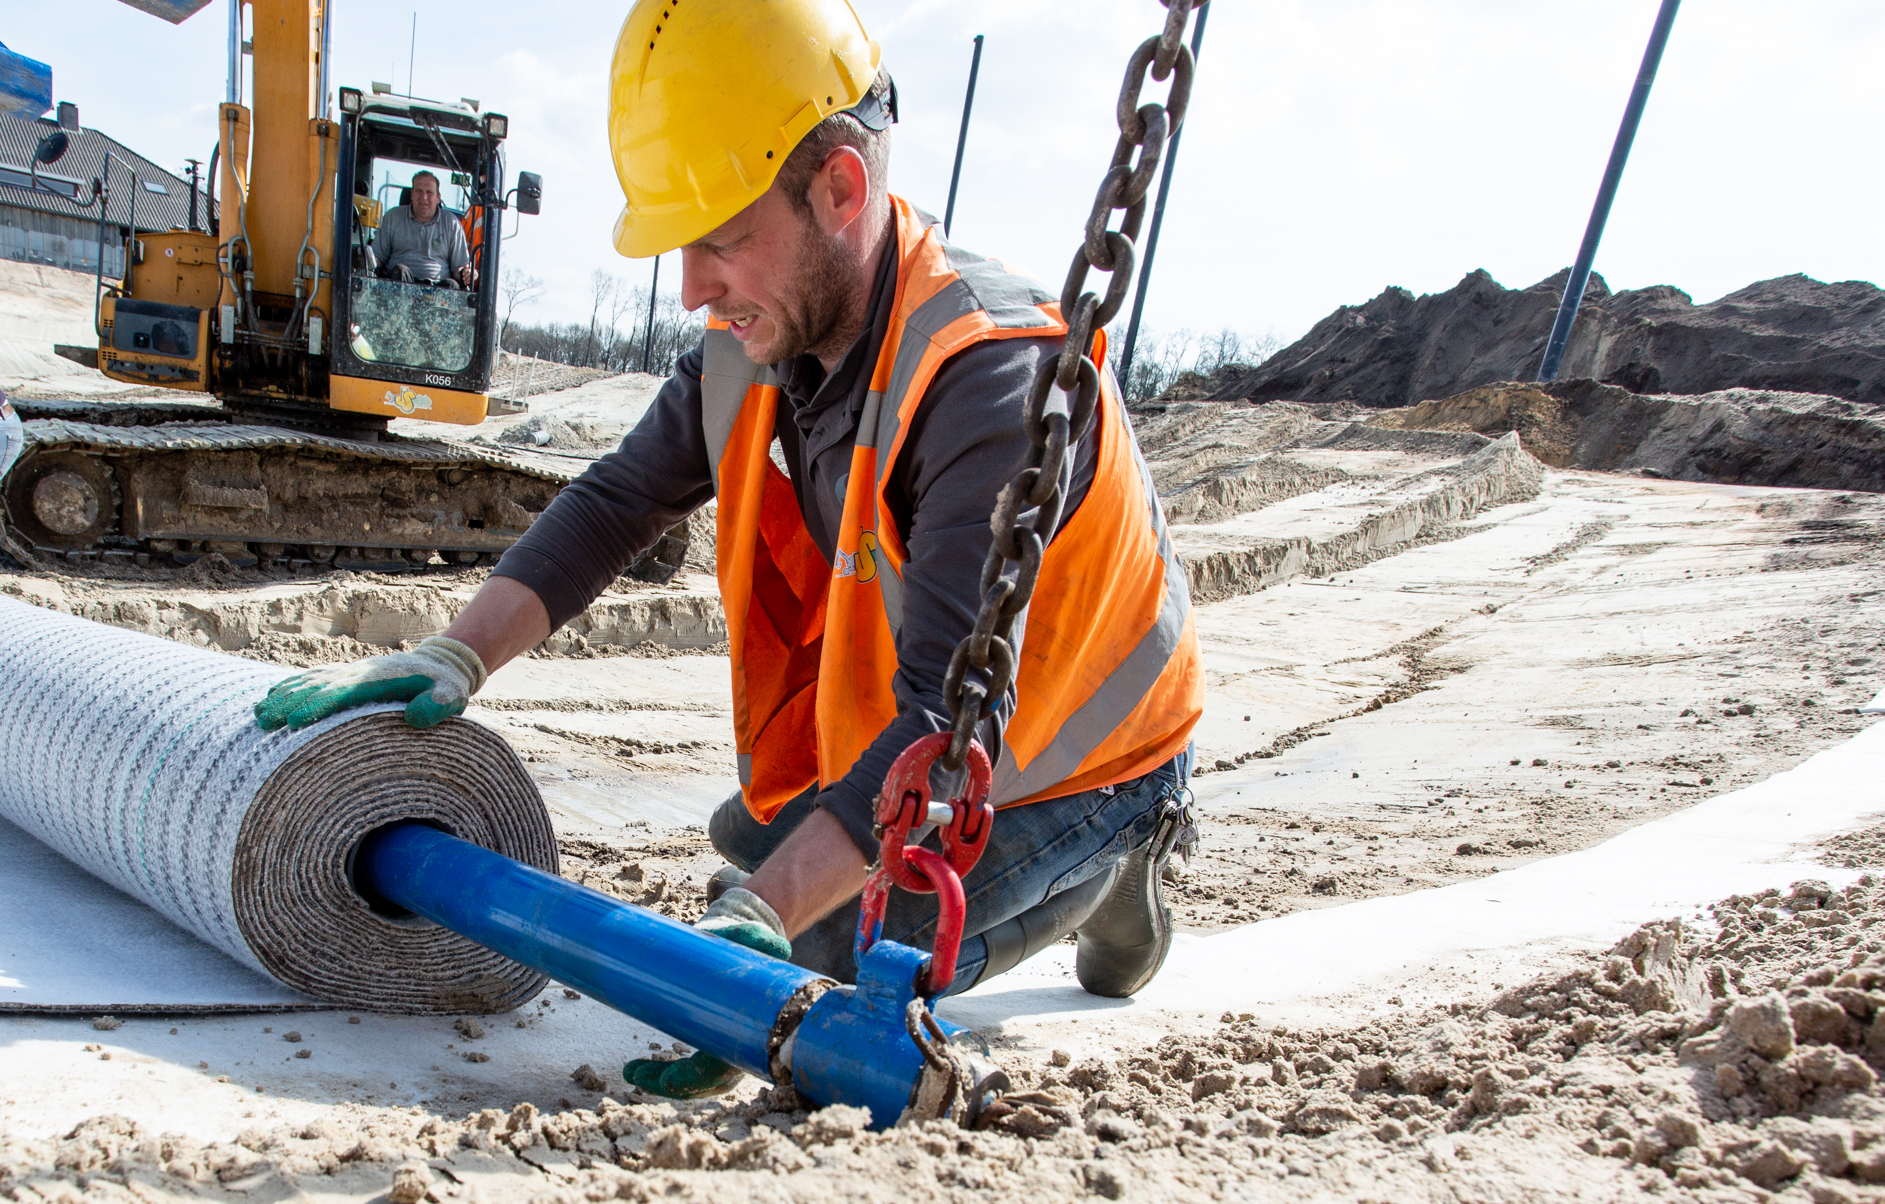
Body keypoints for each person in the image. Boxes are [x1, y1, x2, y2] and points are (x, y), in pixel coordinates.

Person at [255, 0, 1204, 1097]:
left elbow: (945, 729)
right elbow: (616, 502)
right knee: (755, 841)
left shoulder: (990, 380)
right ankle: (858, 883)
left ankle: (1121, 860)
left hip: (1074, 757)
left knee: (814, 954)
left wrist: (767, 919)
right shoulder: (752, 342)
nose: (692, 287)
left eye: (718, 238)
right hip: (932, 718)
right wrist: (454, 655)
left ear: (840, 189)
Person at [371, 170, 473, 288]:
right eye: (419, 191)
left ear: (438, 198)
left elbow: (458, 268)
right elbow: (377, 257)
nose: (424, 197)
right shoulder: (392, 217)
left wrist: (465, 273)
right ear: (412, 194)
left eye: (429, 192)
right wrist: (366, 261)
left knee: (452, 285)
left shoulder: (452, 223)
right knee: (400, 270)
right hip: (398, 287)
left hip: (438, 291)